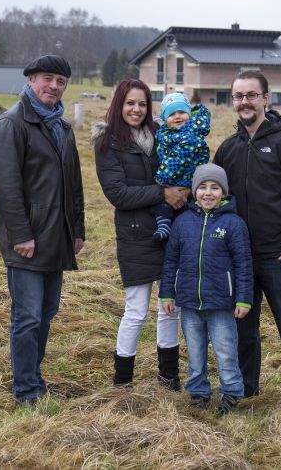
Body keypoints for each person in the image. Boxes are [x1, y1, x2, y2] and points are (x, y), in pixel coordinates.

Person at [213, 70, 281, 402]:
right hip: (240, 259)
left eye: (251, 95)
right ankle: (246, 391)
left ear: (266, 99)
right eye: (238, 96)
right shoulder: (228, 149)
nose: (244, 102)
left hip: (280, 257)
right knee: (243, 330)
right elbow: (214, 197)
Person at [0, 55, 85, 407]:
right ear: (30, 79)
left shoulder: (61, 128)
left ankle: (34, 376)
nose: (54, 86)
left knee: (46, 313)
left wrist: (78, 230)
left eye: (61, 81)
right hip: (27, 240)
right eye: (47, 79)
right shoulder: (12, 124)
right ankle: (26, 389)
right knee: (27, 316)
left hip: (56, 237)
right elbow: (5, 186)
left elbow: (73, 184)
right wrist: (20, 235)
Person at [92, 79, 189, 389]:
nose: (136, 109)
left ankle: (169, 376)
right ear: (118, 104)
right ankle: (123, 381)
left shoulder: (162, 137)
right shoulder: (107, 143)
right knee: (135, 310)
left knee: (169, 307)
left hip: (168, 232)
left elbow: (179, 170)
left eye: (142, 104)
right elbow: (118, 194)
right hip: (135, 235)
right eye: (130, 103)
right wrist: (163, 194)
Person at [159, 163, 253, 415]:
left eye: (214, 187)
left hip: (222, 304)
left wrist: (243, 299)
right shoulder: (183, 223)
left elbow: (243, 264)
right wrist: (167, 293)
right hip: (189, 302)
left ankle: (231, 393)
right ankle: (199, 392)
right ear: (194, 190)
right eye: (202, 187)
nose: (208, 193)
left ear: (223, 192)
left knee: (225, 351)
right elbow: (171, 261)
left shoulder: (233, 224)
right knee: (195, 352)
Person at [151, 92, 211, 241]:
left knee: (170, 205)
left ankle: (166, 226)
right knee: (164, 205)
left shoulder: (189, 135)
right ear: (165, 119)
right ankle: (164, 225)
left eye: (182, 112)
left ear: (189, 114)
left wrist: (161, 178)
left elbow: (177, 160)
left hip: (183, 179)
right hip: (175, 179)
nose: (177, 116)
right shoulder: (168, 133)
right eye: (172, 114)